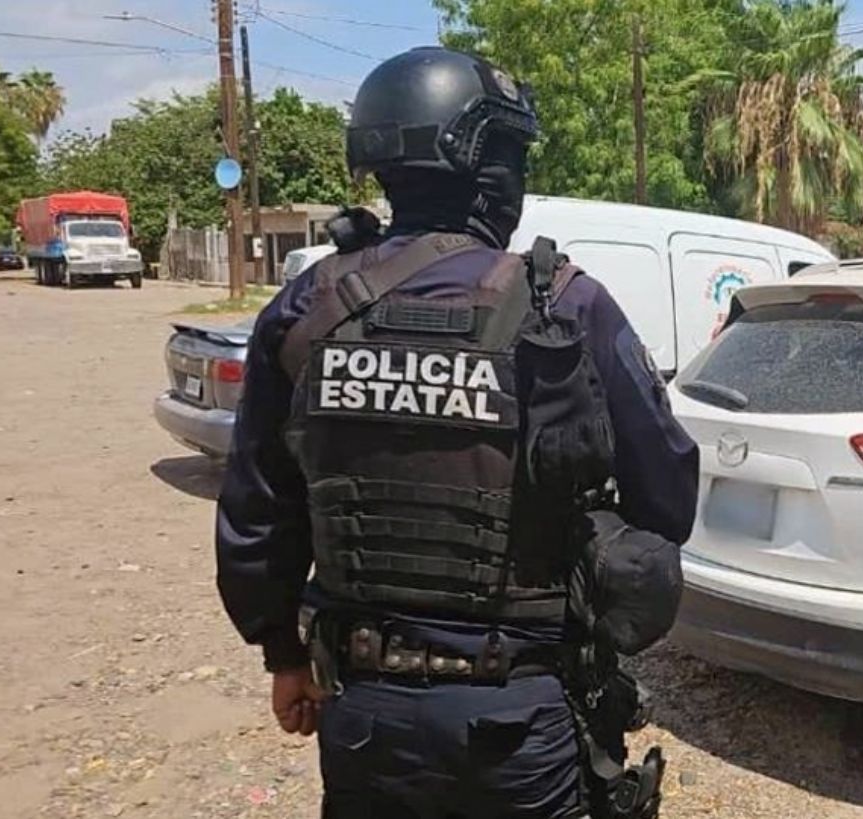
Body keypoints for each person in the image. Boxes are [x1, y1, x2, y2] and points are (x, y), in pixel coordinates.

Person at [215, 46, 699, 819]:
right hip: (518, 718)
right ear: (486, 167)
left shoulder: (307, 307)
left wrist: (283, 654)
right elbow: (668, 497)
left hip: (362, 712)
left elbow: (257, 511)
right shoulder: (566, 305)